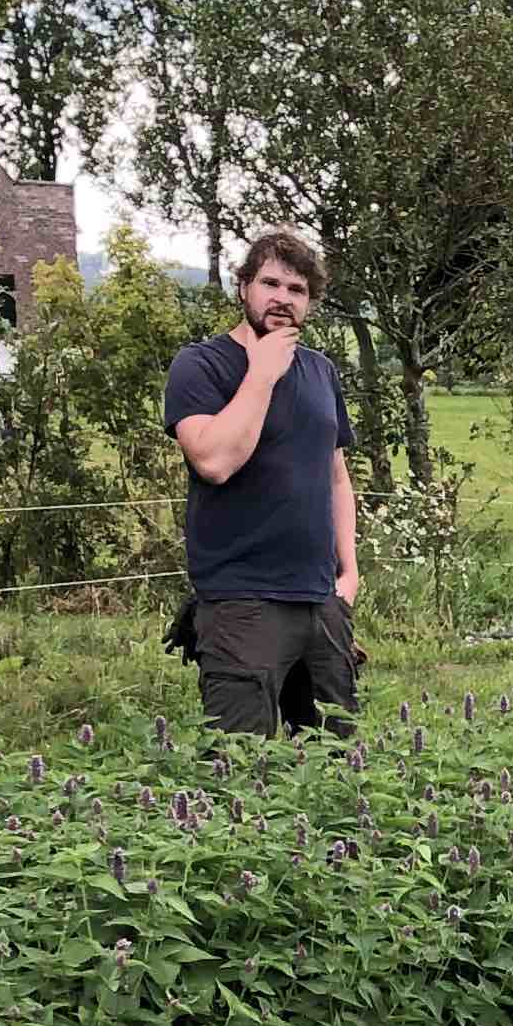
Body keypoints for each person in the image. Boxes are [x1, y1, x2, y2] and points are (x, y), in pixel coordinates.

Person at [163, 229, 361, 734]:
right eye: (270, 283)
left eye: (297, 290)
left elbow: (336, 477)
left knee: (336, 762)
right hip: (241, 602)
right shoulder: (202, 365)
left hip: (321, 601)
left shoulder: (321, 372)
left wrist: (349, 575)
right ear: (244, 288)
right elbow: (214, 460)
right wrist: (262, 373)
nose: (282, 298)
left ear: (310, 303)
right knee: (240, 767)